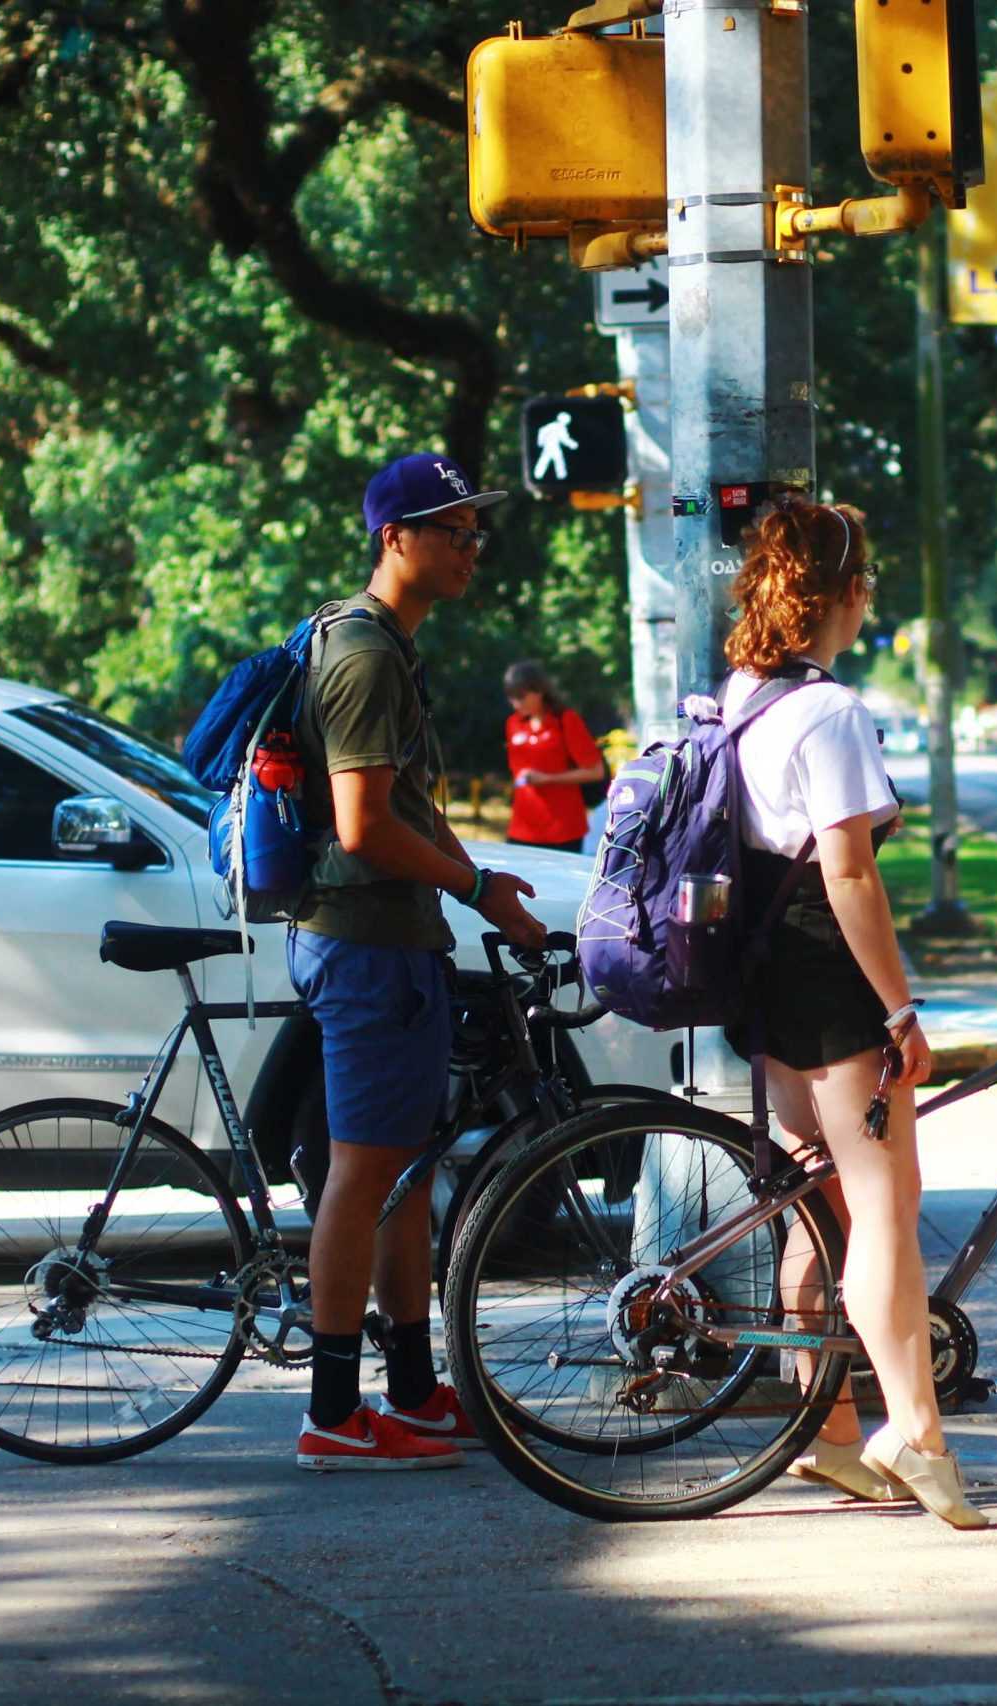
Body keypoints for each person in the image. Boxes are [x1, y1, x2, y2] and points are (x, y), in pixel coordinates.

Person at [722, 497, 985, 1530]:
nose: (871, 594)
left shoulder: (745, 693)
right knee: (881, 1211)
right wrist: (900, 1006)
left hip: (764, 979)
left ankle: (828, 1429)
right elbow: (851, 876)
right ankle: (918, 1435)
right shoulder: (828, 712)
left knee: (814, 1205)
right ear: (840, 593)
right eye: (865, 578)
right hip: (830, 982)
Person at [289, 451, 547, 1472]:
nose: (470, 546)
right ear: (396, 537)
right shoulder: (361, 655)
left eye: (474, 530)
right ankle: (331, 1411)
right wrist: (470, 886)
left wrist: (482, 877)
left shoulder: (387, 646)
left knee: (405, 1170)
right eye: (452, 529)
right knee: (361, 1176)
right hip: (365, 944)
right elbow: (360, 827)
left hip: (396, 943)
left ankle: (411, 1389)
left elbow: (405, 801)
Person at [502, 660, 606, 855]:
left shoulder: (565, 720)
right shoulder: (513, 723)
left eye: (521, 697)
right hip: (522, 828)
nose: (516, 703)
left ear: (539, 690)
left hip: (562, 830)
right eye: (511, 697)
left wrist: (549, 779)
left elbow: (596, 772)